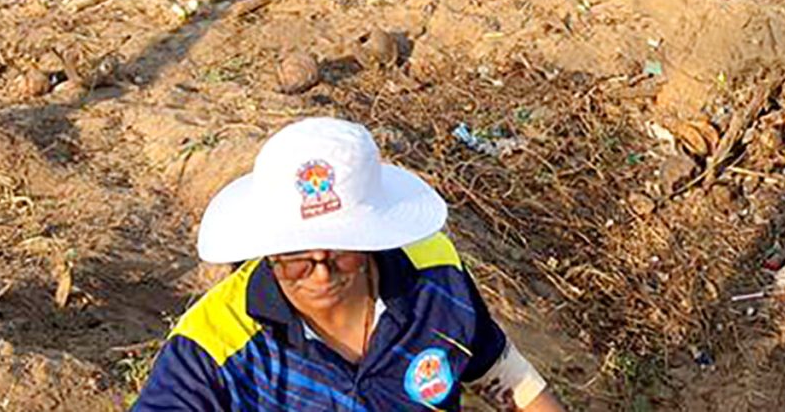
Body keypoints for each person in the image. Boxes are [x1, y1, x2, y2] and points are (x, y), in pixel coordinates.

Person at [130, 116, 568, 412]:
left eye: (340, 250)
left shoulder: (435, 279)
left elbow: (497, 368)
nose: (321, 272)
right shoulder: (213, 343)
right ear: (267, 247)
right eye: (297, 256)